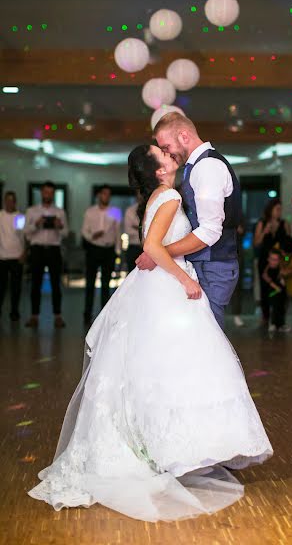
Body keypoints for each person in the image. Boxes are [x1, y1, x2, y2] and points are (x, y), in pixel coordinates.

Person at [28, 143, 273, 522]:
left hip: (154, 288)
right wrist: (184, 280)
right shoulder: (171, 195)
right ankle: (163, 449)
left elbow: (153, 246)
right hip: (166, 288)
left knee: (155, 368)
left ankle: (161, 448)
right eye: (162, 153)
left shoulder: (158, 196)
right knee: (174, 366)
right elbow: (153, 247)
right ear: (158, 170)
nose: (169, 155)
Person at [136, 113, 242, 331]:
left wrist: (160, 254)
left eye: (166, 146)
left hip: (213, 266)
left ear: (184, 136)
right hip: (203, 265)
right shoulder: (194, 167)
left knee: (209, 338)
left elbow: (210, 231)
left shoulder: (207, 167)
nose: (167, 153)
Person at [24, 181, 68, 328]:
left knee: (56, 284)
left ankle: (58, 316)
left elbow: (65, 233)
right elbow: (26, 232)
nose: (48, 195)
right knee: (35, 283)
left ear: (53, 194)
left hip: (54, 249)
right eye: (45, 192)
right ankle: (34, 316)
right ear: (41, 193)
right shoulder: (32, 211)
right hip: (37, 249)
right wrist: (36, 224)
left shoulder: (60, 212)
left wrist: (59, 226)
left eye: (50, 192)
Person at [81, 185, 121, 324]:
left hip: (108, 250)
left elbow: (117, 233)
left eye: (109, 194)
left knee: (106, 283)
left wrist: (118, 252)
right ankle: (87, 313)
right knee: (90, 283)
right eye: (104, 194)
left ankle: (104, 315)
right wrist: (93, 236)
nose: (106, 196)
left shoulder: (115, 212)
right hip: (93, 249)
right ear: (99, 195)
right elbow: (84, 231)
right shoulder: (90, 212)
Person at [253, 200, 290, 326]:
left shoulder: (284, 223)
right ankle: (265, 316)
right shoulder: (262, 223)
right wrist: (264, 232)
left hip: (279, 262)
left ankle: (279, 318)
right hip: (265, 260)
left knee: (281, 288)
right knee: (265, 288)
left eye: (280, 209)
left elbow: (289, 244)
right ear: (271, 209)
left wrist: (285, 257)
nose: (279, 211)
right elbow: (256, 243)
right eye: (277, 209)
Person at [0, 191, 26, 321]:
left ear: (15, 202)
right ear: (4, 201)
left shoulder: (19, 217)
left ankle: (14, 312)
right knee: (1, 287)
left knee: (16, 287)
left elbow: (21, 237)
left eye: (12, 200)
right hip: (2, 257)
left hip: (16, 256)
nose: (10, 203)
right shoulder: (0, 215)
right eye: (7, 200)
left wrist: (23, 252)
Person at [261, 249, 289, 333]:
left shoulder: (280, 268)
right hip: (272, 293)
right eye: (271, 259)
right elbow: (267, 279)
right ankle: (273, 323)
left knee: (281, 308)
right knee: (274, 308)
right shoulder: (267, 270)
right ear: (268, 259)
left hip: (281, 293)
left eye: (276, 260)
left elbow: (287, 260)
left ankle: (281, 324)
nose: (273, 262)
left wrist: (285, 256)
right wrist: (276, 287)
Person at [232, 222, 245, 327]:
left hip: (235, 253)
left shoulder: (236, 211)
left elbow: (242, 230)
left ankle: (236, 314)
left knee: (236, 286)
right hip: (216, 252)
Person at [124, 200, 142, 273]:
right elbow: (128, 231)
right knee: (131, 274)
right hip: (133, 247)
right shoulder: (130, 210)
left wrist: (136, 227)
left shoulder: (152, 207)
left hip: (147, 249)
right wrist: (141, 228)